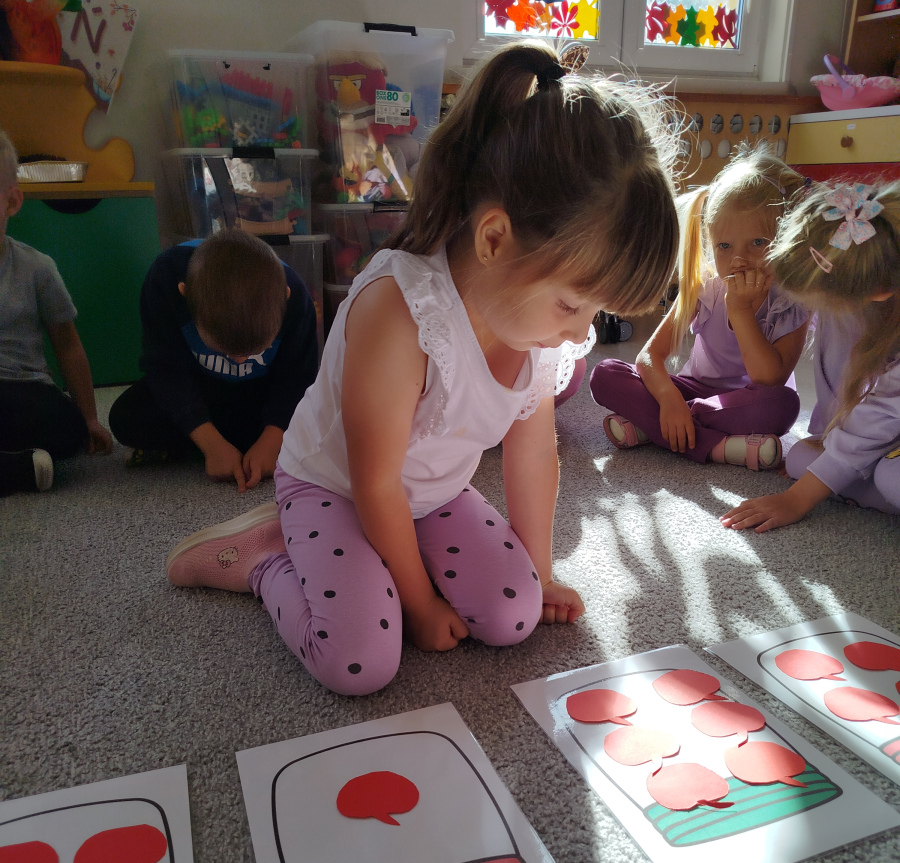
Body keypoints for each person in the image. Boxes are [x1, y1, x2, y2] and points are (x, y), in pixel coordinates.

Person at [164, 42, 680, 696]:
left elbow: (532, 454)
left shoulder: (539, 331)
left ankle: (376, 566)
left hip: (430, 496)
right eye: (573, 305)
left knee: (514, 615)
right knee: (360, 661)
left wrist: (541, 572)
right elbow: (374, 482)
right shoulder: (401, 312)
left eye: (596, 313)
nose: (583, 334)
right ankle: (267, 560)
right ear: (493, 240)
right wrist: (418, 602)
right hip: (336, 487)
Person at [589, 145, 810, 471]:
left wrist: (740, 310)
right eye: (724, 246)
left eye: (758, 243)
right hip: (693, 389)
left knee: (784, 405)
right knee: (605, 374)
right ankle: (718, 447)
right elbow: (650, 357)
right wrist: (669, 400)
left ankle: (655, 427)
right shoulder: (704, 286)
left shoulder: (792, 301)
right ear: (711, 244)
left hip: (746, 401)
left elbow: (769, 379)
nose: (739, 259)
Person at [721, 179, 899, 531]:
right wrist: (828, 449)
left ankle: (859, 481)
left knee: (890, 479)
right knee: (802, 458)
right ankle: (853, 476)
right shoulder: (868, 282)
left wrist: (797, 499)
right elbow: (841, 386)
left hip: (887, 438)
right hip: (886, 435)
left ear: (879, 292)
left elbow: (881, 415)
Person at [109, 229, 318, 491]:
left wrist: (272, 440)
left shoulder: (297, 297)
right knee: (126, 417)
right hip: (199, 388)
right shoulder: (165, 278)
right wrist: (211, 444)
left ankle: (216, 448)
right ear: (185, 294)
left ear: (285, 298)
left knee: (328, 422)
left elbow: (297, 379)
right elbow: (165, 370)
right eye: (225, 349)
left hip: (261, 394)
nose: (240, 361)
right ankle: (224, 447)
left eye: (255, 350)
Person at [0, 129, 112, 496]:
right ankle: (19, 470)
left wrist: (90, 418)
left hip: (23, 390)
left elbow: (67, 345)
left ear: (11, 202)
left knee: (66, 429)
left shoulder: (36, 268)